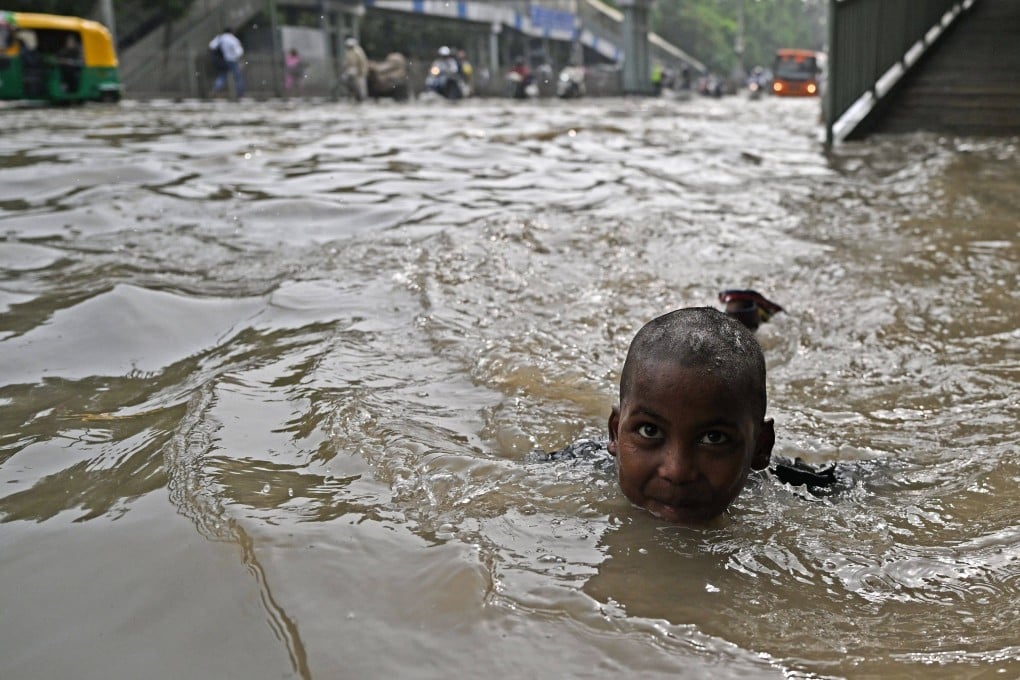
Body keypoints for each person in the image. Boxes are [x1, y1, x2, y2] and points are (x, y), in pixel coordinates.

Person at [540, 307, 837, 526]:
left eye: (713, 438)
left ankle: (745, 314)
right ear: (616, 433)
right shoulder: (569, 472)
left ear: (760, 448)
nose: (677, 471)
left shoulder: (788, 484)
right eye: (649, 431)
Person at [209, 27, 245, 99]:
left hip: (222, 60)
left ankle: (216, 89)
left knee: (222, 76)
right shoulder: (233, 39)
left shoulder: (220, 38)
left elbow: (211, 46)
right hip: (232, 60)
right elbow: (239, 51)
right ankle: (240, 93)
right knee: (238, 77)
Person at [342, 36, 368, 101]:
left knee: (361, 86)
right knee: (345, 79)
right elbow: (347, 62)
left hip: (359, 71)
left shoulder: (357, 51)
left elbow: (362, 62)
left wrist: (361, 71)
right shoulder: (348, 52)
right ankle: (352, 93)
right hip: (353, 70)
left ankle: (362, 99)